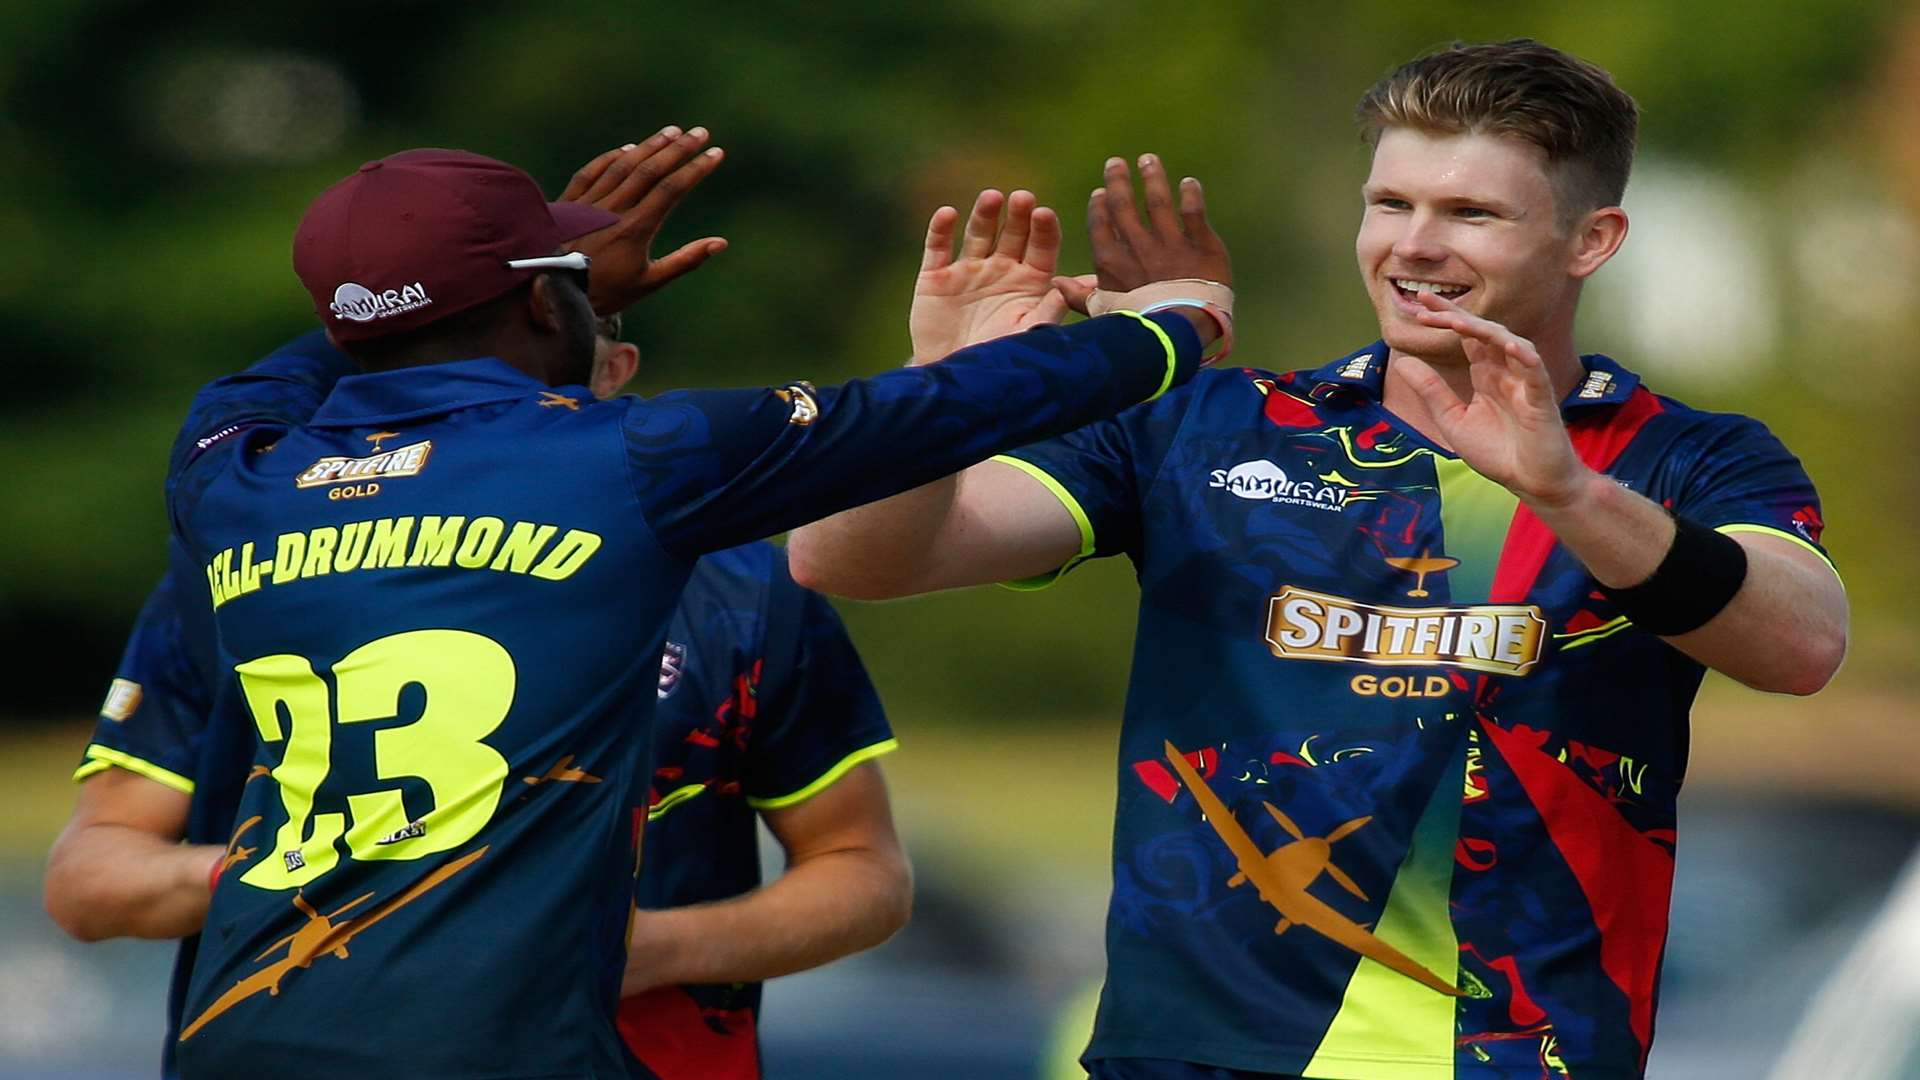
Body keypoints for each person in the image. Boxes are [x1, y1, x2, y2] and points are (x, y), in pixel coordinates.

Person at [788, 40, 1849, 1080]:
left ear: (1591, 239)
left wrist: (1567, 494)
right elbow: (847, 559)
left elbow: (1801, 643)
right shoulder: (1205, 423)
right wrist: (942, 391)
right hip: (1197, 1056)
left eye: (1471, 214)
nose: (1416, 245)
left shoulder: (1684, 455)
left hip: (1516, 1056)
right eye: (1391, 205)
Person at [161, 129, 1230, 1078]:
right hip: (484, 1041)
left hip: (241, 1027)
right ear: (544, 303)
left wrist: (446, 286)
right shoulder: (627, 457)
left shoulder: (230, 472)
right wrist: (1177, 328)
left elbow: (289, 370)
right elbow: (934, 409)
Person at [47, 315, 909, 1080]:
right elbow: (89, 880)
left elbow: (863, 871)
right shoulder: (238, 575)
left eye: (506, 389)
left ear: (612, 378)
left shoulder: (750, 588)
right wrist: (302, 877)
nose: (460, 426)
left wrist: (649, 948)